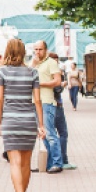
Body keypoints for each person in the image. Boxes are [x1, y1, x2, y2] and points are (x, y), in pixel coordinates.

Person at [0, 38, 45, 192]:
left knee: (14, 163)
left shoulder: (2, 72)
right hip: (28, 121)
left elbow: (0, 99)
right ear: (23, 52)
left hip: (10, 120)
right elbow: (37, 100)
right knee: (25, 163)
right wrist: (41, 124)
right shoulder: (32, 72)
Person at [31, 40, 63, 173]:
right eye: (36, 49)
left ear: (46, 50)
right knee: (42, 133)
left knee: (49, 133)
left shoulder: (51, 62)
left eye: (40, 49)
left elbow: (57, 81)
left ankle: (57, 163)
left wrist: (41, 84)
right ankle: (47, 164)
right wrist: (33, 65)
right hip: (35, 101)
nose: (38, 52)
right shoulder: (34, 63)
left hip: (47, 101)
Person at [49, 52, 76, 170]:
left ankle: (54, 160)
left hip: (47, 106)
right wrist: (63, 84)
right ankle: (62, 160)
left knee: (51, 134)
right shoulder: (55, 73)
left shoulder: (43, 71)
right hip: (56, 105)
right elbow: (57, 89)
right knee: (62, 133)